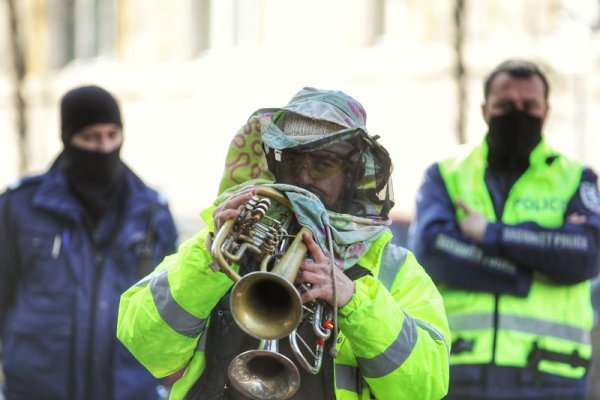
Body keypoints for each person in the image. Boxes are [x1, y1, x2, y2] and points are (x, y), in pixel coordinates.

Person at [116, 87, 451, 399]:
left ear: (352, 171)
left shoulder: (392, 266)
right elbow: (145, 346)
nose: (304, 178)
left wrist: (353, 301)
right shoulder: (225, 237)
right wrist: (209, 261)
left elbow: (426, 386)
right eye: (292, 162)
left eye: (322, 163)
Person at [408, 59, 600, 399]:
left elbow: (585, 256)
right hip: (459, 368)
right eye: (505, 106)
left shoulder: (576, 177)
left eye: (529, 106)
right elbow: (432, 250)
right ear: (485, 110)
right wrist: (526, 269)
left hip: (552, 374)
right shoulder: (446, 173)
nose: (518, 114)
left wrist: (491, 234)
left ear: (546, 111)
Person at [0, 85, 178, 400]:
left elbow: (168, 307)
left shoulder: (151, 212)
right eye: (91, 138)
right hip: (37, 387)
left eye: (112, 135)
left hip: (129, 389)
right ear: (68, 139)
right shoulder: (20, 207)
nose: (104, 147)